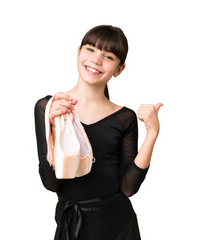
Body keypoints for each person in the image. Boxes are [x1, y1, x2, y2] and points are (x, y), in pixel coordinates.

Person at [34, 25, 162, 240]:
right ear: (78, 52)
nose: (96, 60)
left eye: (109, 56)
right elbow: (51, 183)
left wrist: (152, 133)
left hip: (118, 227)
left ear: (119, 69)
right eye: (91, 49)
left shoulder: (124, 118)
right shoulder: (50, 107)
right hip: (71, 226)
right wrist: (54, 128)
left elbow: (128, 187)